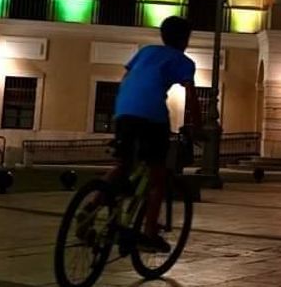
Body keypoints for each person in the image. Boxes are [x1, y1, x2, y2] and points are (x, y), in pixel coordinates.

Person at [85, 16, 201, 253]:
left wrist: (124, 109)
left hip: (123, 110)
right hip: (151, 116)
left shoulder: (146, 51)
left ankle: (90, 208)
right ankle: (148, 233)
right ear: (185, 39)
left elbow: (126, 79)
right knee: (158, 176)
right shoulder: (184, 61)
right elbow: (191, 97)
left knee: (124, 164)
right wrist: (197, 126)